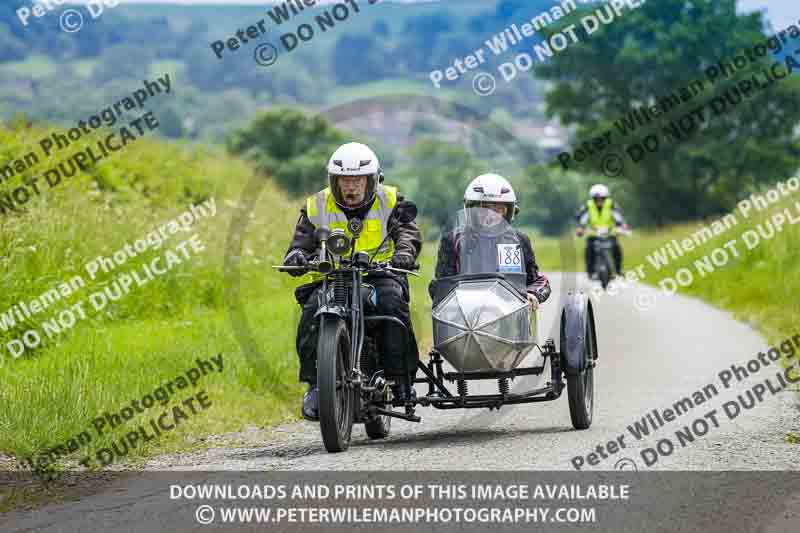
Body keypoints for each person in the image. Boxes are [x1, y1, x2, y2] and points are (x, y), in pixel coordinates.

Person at [281, 142, 422, 420]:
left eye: (358, 180)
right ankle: (315, 386)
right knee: (311, 311)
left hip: (381, 275)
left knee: (393, 306)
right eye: (344, 180)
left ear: (373, 180)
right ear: (334, 181)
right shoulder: (316, 205)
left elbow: (407, 233)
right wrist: (297, 257)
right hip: (335, 278)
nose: (351, 187)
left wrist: (404, 254)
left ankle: (400, 379)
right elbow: (299, 245)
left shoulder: (391, 200)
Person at [432, 173, 551, 308]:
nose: (490, 215)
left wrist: (532, 293)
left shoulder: (518, 240)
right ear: (471, 210)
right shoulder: (453, 240)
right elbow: (440, 284)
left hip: (510, 313)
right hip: (466, 314)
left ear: (508, 212)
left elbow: (537, 281)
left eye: (498, 209)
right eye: (484, 208)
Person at [575, 184, 631, 277]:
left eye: (602, 198)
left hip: (609, 233)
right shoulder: (588, 206)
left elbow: (618, 216)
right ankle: (590, 271)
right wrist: (580, 228)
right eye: (596, 199)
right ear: (593, 198)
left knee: (616, 248)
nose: (599, 200)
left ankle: (618, 269)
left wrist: (623, 225)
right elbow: (582, 218)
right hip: (593, 233)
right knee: (589, 249)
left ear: (605, 198)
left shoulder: (611, 204)